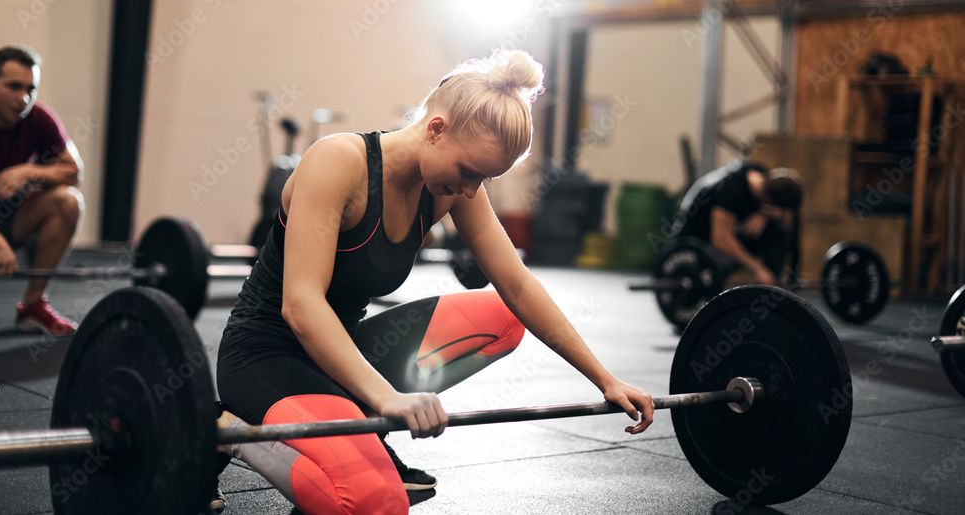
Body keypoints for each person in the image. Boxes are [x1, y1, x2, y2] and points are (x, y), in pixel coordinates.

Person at [212, 50, 654, 515]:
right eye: (468, 172)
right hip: (266, 355)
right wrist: (386, 398)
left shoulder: (451, 190)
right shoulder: (338, 162)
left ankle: (356, 423)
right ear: (436, 129)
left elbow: (518, 287)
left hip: (344, 352)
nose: (470, 190)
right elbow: (301, 307)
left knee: (504, 317)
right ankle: (229, 434)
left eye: (483, 178)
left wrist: (605, 379)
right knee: (375, 503)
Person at [0, 45, 84, 335]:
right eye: (14, 87)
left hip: (7, 221)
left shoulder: (39, 119)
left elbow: (74, 171)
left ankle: (33, 306)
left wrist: (30, 172)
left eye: (31, 89)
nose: (24, 98)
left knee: (68, 202)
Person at [666, 160, 804, 285]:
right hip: (689, 248)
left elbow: (773, 212)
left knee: (780, 233)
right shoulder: (731, 191)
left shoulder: (759, 174)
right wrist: (757, 267)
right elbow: (720, 239)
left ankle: (764, 290)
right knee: (720, 263)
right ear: (770, 201)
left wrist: (763, 214)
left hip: (715, 239)